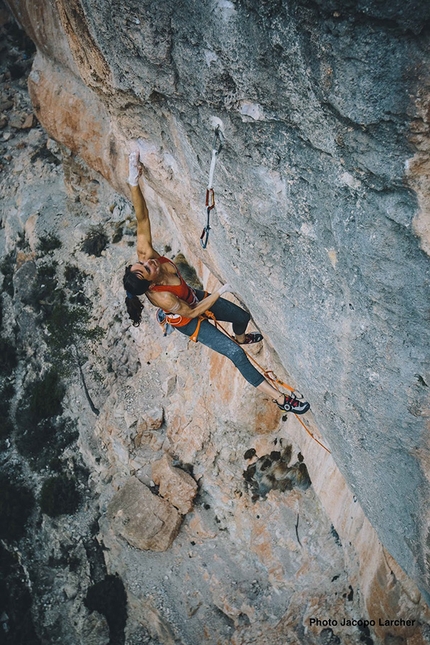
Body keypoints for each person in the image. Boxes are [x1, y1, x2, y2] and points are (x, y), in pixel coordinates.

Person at [122, 150, 310, 415]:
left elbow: (141, 217)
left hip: (189, 297)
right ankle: (281, 400)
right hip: (186, 318)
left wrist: (133, 180)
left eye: (143, 263)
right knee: (235, 355)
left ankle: (242, 336)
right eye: (146, 269)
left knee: (241, 316)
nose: (149, 262)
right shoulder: (162, 296)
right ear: (150, 286)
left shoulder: (146, 256)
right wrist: (221, 291)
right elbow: (194, 312)